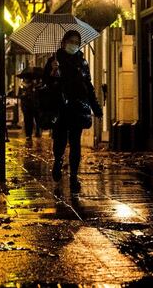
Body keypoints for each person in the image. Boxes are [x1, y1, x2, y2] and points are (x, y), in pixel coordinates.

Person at [43, 30, 102, 193]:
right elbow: (46, 85)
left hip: (77, 107)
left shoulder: (82, 62)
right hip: (61, 108)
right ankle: (58, 160)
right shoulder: (53, 61)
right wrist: (53, 74)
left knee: (75, 143)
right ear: (63, 42)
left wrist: (96, 107)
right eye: (71, 41)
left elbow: (88, 86)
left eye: (77, 42)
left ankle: (74, 177)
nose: (74, 45)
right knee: (60, 141)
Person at [18, 77, 42, 145]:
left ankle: (38, 131)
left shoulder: (35, 86)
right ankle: (28, 135)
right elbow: (19, 96)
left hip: (35, 106)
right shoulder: (22, 86)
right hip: (26, 107)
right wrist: (23, 95)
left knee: (37, 120)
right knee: (28, 121)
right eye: (25, 78)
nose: (26, 79)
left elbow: (38, 95)